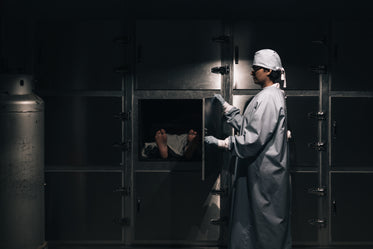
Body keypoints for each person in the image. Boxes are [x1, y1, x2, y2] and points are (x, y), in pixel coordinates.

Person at [205, 49, 292, 249]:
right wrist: (229, 109)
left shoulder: (269, 98)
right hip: (259, 172)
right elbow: (251, 127)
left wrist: (223, 143)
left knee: (263, 225)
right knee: (254, 224)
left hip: (264, 174)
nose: (252, 73)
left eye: (256, 69)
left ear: (268, 71)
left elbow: (254, 139)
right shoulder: (267, 95)